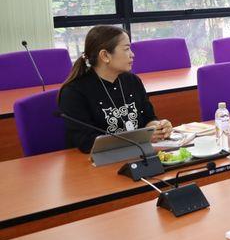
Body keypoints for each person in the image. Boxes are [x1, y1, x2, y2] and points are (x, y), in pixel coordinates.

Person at [58, 25, 172, 153]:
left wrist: (156, 127)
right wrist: (141, 138)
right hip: (96, 160)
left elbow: (148, 117)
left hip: (137, 153)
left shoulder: (132, 81)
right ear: (105, 55)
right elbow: (87, 142)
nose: (132, 54)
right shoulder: (74, 92)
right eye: (126, 49)